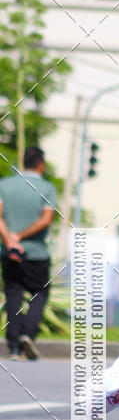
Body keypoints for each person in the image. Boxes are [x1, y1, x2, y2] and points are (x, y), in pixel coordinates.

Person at [0, 146, 57, 360]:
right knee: (39, 293)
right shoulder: (47, 188)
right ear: (41, 164)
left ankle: (14, 347)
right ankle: (28, 335)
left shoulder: (4, 185)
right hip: (37, 254)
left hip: (10, 252)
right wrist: (22, 237)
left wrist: (10, 240)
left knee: (13, 294)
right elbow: (46, 220)